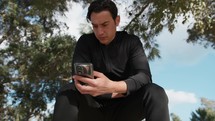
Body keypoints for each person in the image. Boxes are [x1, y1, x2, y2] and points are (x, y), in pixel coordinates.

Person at [53, 0, 170, 121]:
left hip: (125, 109)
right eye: (95, 26)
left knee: (156, 92)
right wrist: (108, 91)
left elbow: (144, 77)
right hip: (92, 109)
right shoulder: (85, 42)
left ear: (117, 20)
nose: (100, 32)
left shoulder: (131, 42)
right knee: (67, 92)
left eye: (104, 24)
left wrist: (112, 86)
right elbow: (81, 81)